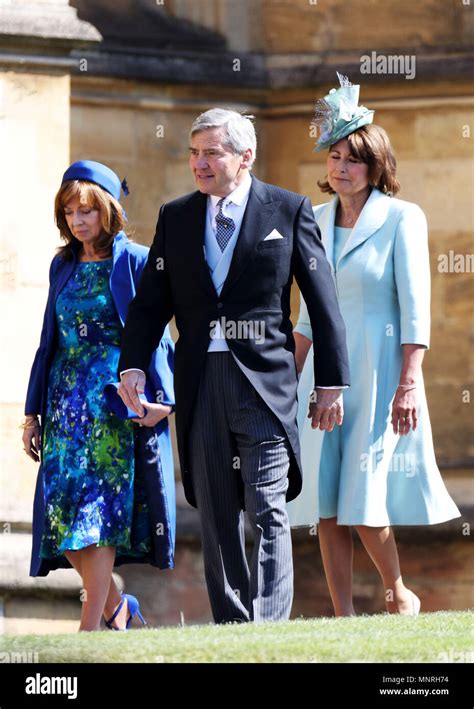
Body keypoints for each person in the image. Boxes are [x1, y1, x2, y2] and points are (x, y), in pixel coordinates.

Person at [117, 108, 350, 624]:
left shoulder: (287, 210)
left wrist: (330, 382)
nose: (199, 164)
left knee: (268, 507)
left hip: (264, 383)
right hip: (200, 380)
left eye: (211, 153)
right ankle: (233, 624)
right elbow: (150, 303)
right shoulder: (175, 216)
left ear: (245, 157)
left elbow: (322, 299)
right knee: (218, 512)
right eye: (194, 153)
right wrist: (132, 367)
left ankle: (267, 626)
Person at [289, 73, 460, 617]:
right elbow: (308, 315)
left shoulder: (402, 218)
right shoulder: (311, 222)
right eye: (335, 157)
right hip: (324, 377)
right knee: (327, 499)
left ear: (376, 165)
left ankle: (398, 592)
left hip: (383, 373)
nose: (341, 168)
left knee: (364, 496)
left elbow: (415, 308)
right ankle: (343, 617)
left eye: (354, 159)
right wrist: (283, 381)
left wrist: (411, 383)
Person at [22, 160, 176, 632]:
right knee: (60, 516)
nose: (78, 220)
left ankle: (90, 629)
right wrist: (32, 413)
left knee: (99, 510)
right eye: (69, 212)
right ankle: (119, 609)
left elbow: (158, 335)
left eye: (86, 210)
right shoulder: (61, 265)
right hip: (64, 399)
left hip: (112, 400)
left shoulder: (136, 259)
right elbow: (48, 339)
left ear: (108, 210)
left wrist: (162, 399)